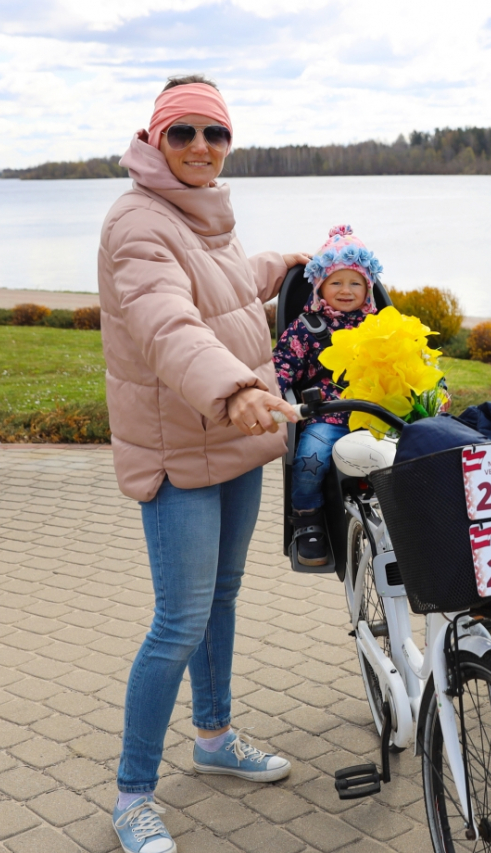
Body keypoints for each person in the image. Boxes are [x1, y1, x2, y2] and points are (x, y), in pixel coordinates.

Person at [98, 74, 310, 853]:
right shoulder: (136, 221)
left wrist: (282, 265)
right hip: (182, 447)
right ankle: (132, 794)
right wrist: (236, 389)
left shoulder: (201, 215)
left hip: (230, 440)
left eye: (214, 134)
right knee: (179, 621)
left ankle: (214, 736)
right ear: (154, 140)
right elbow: (167, 321)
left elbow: (218, 290)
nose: (199, 148)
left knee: (221, 595)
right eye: (182, 133)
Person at [272, 224, 382, 567]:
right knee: (311, 457)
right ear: (320, 286)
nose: (346, 290)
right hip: (327, 415)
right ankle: (307, 520)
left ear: (369, 287)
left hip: (376, 414)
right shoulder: (306, 328)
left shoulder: (381, 327)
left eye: (355, 283)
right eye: (336, 282)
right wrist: (272, 395)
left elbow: (411, 361)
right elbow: (280, 368)